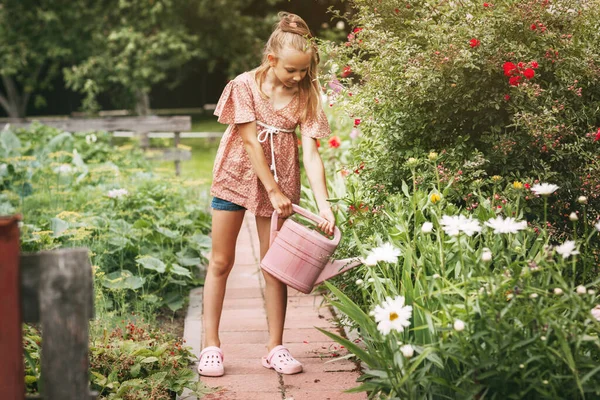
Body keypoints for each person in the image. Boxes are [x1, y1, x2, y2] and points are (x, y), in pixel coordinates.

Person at [197, 12, 335, 377]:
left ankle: (276, 347)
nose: (299, 77)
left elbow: (311, 153)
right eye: (292, 70)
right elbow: (247, 141)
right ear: (271, 60)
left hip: (282, 185)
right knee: (221, 261)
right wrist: (271, 190)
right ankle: (211, 345)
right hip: (235, 175)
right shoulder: (243, 85)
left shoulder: (306, 94)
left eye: (304, 70)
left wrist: (324, 207)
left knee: (275, 267)